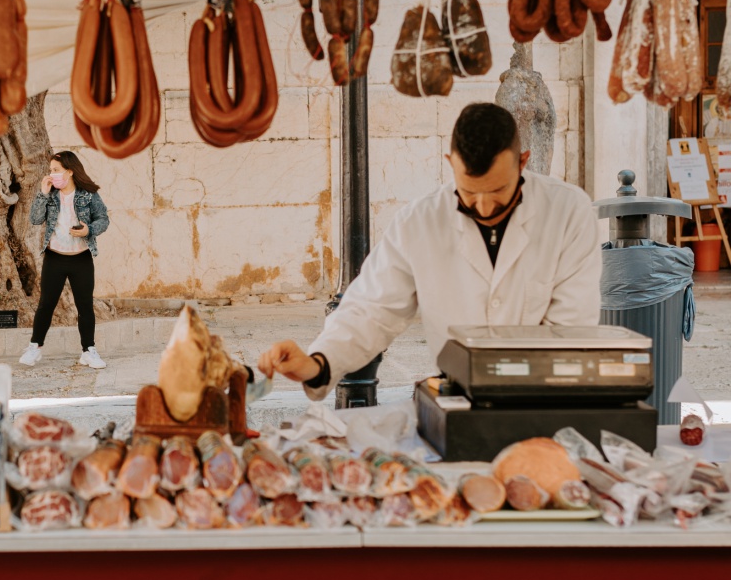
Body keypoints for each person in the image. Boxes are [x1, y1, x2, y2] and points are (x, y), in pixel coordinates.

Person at [258, 102, 602, 397]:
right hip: (454, 398)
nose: (483, 207)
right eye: (470, 192)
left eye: (498, 191)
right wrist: (318, 364)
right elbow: (372, 309)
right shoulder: (418, 222)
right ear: (450, 162)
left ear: (523, 162)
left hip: (547, 398)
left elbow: (571, 330)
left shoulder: (569, 211)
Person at [20, 151, 110, 368]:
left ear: (69, 172)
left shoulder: (88, 195)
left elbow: (104, 219)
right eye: (51, 170)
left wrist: (89, 230)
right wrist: (42, 193)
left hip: (81, 259)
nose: (52, 174)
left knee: (85, 306)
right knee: (46, 305)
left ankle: (89, 351)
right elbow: (34, 219)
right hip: (54, 258)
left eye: (56, 170)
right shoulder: (49, 194)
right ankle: (35, 347)